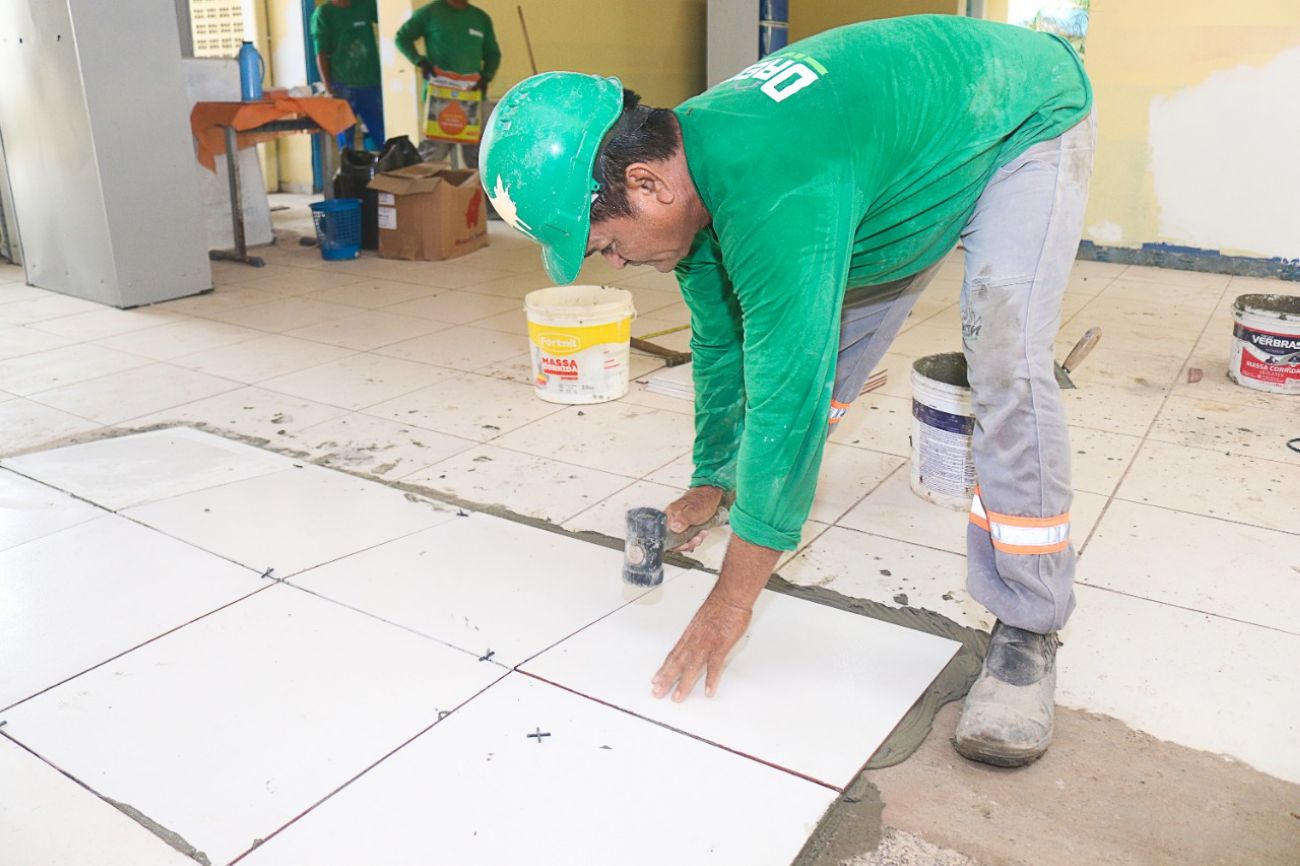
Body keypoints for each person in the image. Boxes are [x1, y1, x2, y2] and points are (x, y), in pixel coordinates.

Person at [479, 14, 1094, 768]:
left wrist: (732, 599)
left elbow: (785, 394)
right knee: (815, 360)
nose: (612, 262)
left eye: (605, 243)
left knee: (1004, 358)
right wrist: (714, 478)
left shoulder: (771, 186)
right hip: (899, 160)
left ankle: (1029, 628)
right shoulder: (689, 174)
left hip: (1020, 115)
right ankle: (750, 493)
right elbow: (720, 344)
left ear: (645, 184)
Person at [396, 0, 501, 167]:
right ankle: (423, 185)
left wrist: (486, 77)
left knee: (479, 158)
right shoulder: (430, 13)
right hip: (440, 98)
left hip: (472, 98)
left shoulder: (481, 18)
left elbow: (493, 54)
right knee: (432, 156)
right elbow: (402, 38)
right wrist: (420, 62)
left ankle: (477, 185)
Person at [311, 0, 385, 150]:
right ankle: (349, 164)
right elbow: (321, 54)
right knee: (346, 143)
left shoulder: (365, 5)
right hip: (342, 85)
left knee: (382, 138)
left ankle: (382, 163)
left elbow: (389, 18)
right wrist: (329, 89)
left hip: (370, 83)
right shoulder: (324, 14)